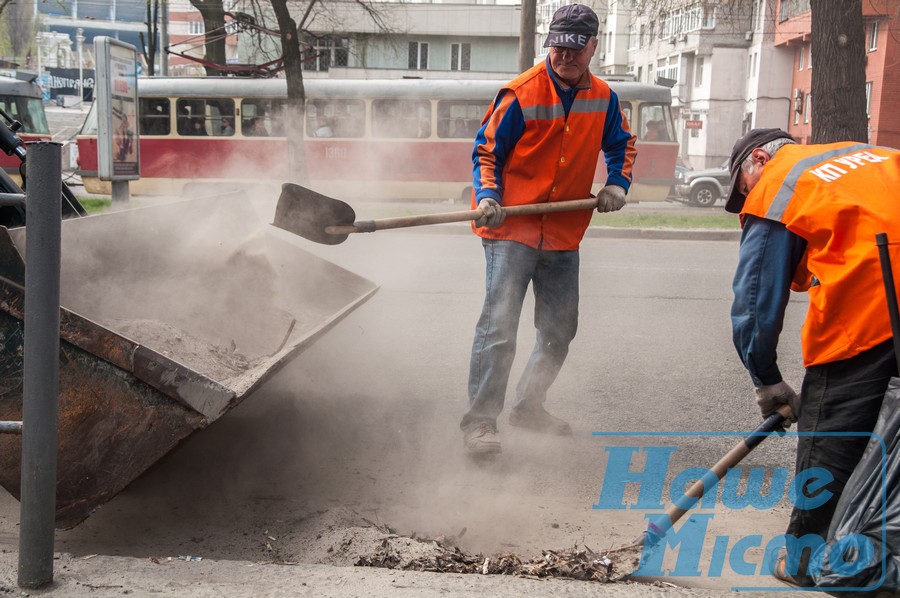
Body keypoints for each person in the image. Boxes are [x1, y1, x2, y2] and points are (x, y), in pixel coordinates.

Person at [460, 3, 637, 455]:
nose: (565, 57)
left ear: (593, 47)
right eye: (558, 47)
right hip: (512, 231)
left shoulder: (604, 98)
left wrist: (617, 183)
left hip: (562, 233)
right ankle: (480, 423)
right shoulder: (520, 94)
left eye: (576, 50)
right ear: (549, 43)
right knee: (499, 328)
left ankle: (528, 406)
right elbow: (486, 152)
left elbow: (622, 145)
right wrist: (487, 196)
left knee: (560, 329)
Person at [725, 128, 900, 586]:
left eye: (742, 188)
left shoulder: (779, 182)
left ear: (758, 160)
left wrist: (767, 380)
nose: (748, 199)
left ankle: (806, 557)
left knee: (833, 432)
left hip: (875, 305)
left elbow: (756, 299)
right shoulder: (871, 155)